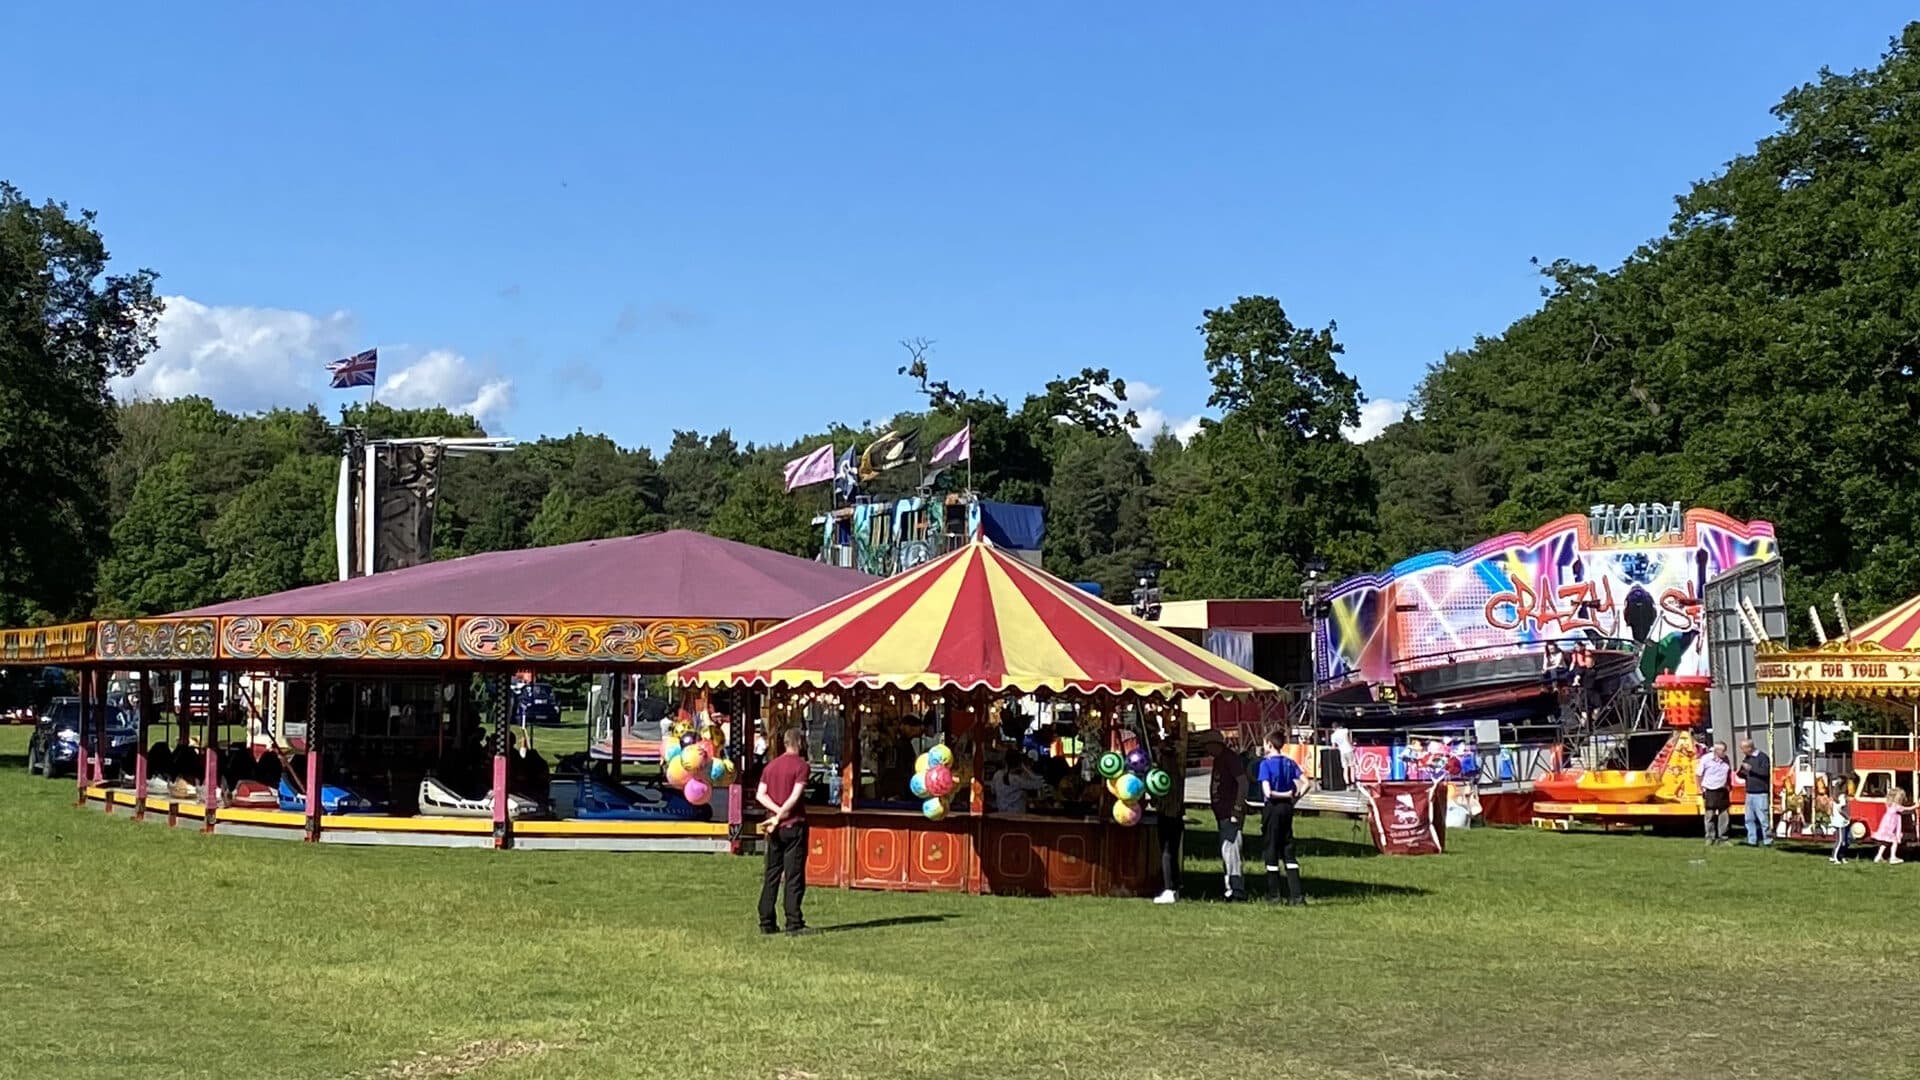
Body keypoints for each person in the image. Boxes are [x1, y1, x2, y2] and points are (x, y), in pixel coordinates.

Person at [756, 728, 812, 935]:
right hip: (793, 824)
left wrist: (775, 814)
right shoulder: (802, 766)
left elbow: (761, 795)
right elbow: (795, 796)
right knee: (793, 874)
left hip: (773, 827)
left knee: (771, 873)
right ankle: (793, 920)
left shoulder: (771, 767)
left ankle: (766, 920)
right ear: (799, 742)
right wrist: (782, 814)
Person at [1256, 731, 1307, 906]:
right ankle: (1296, 895)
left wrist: (1282, 794)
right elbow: (1306, 782)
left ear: (1270, 744)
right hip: (1288, 808)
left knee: (1271, 847)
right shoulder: (1289, 763)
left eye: (1265, 744)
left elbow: (1267, 792)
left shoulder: (1265, 765)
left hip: (1273, 808)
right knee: (1287, 846)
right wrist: (1294, 798)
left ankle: (1274, 894)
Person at [1201, 730, 1249, 901]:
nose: (1206, 749)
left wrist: (1237, 808)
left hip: (1230, 812)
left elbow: (1243, 783)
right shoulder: (1219, 759)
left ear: (1215, 744)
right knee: (1226, 850)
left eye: (1207, 745)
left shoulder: (1230, 758)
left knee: (1231, 850)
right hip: (1222, 813)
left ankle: (1236, 891)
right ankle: (1229, 887)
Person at [1151, 733, 1187, 905]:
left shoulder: (1161, 778)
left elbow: (1157, 798)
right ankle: (1175, 887)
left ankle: (1169, 888)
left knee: (1166, 853)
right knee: (1173, 852)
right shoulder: (1178, 775)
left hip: (1166, 815)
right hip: (1177, 816)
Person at [1696, 741, 1733, 845]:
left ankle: (1723, 838)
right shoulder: (1706, 759)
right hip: (1710, 790)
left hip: (1723, 790)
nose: (1724, 753)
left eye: (1725, 751)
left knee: (1724, 815)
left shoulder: (1726, 759)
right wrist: (1699, 788)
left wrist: (1729, 785)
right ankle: (1710, 837)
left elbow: (1728, 772)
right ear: (1716, 751)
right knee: (1710, 815)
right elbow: (1698, 775)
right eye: (1722, 751)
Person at [1739, 738, 1773, 846]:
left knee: (1763, 818)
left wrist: (1751, 769)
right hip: (1749, 792)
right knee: (1749, 819)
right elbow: (1744, 773)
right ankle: (1752, 840)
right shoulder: (1747, 758)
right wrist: (1742, 772)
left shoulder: (1763, 757)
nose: (1742, 751)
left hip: (1760, 793)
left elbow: (1765, 772)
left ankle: (1767, 840)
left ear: (1750, 747)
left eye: (1743, 748)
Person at [1872, 789, 1914, 865]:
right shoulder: (1896, 806)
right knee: (1894, 841)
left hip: (1885, 825)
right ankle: (1893, 857)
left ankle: (1878, 857)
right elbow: (1906, 809)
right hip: (1891, 826)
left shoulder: (1889, 804)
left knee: (1885, 842)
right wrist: (1915, 806)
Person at [1831, 778, 1852, 865]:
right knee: (1840, 841)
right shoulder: (1842, 797)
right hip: (1841, 821)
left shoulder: (1836, 797)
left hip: (1839, 820)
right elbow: (1841, 809)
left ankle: (1842, 856)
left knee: (1844, 840)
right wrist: (1847, 816)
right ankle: (1834, 857)